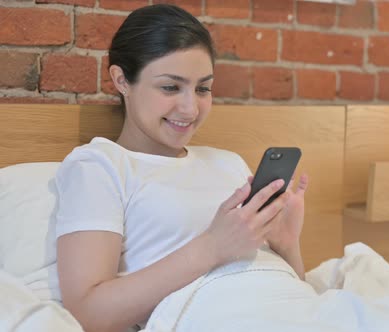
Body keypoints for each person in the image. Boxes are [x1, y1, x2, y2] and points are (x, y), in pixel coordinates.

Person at [54, 4, 308, 332]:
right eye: (170, 87)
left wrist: (287, 245)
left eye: (203, 88)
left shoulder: (229, 163)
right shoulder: (100, 166)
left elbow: (296, 293)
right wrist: (213, 247)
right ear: (121, 80)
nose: (190, 108)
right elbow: (88, 312)